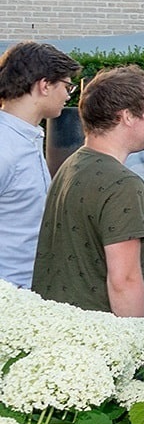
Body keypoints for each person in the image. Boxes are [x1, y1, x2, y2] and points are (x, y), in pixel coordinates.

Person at [32, 65, 144, 316]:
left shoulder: (71, 164)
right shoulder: (123, 183)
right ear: (126, 116)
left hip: (59, 329)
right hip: (100, 341)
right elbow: (124, 281)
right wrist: (135, 346)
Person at [0, 41, 81, 288]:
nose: (68, 95)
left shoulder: (27, 137)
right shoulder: (6, 146)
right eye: (68, 86)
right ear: (44, 85)